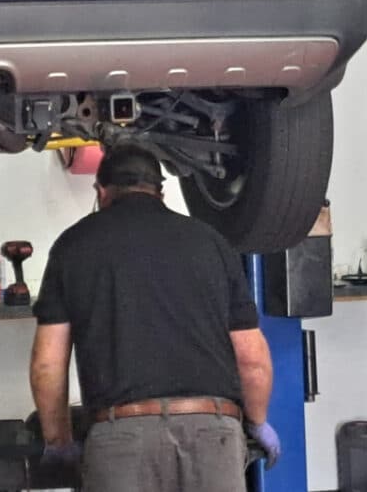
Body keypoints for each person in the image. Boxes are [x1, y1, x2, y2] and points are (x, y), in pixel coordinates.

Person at [30, 143, 280, 492]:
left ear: (101, 191)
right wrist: (257, 423)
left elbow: (47, 365)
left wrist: (58, 442)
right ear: (160, 191)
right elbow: (252, 359)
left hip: (121, 443)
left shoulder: (73, 246)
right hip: (212, 437)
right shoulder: (212, 244)